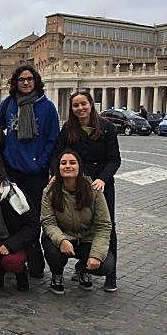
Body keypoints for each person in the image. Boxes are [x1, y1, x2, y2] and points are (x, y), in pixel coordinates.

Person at [0, 64, 59, 278]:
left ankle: (34, 260)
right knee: (12, 214)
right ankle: (14, 256)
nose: (25, 82)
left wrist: (41, 162)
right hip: (12, 169)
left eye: (29, 79)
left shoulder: (47, 107)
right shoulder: (9, 103)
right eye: (21, 79)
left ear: (36, 81)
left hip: (36, 172)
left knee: (33, 216)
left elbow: (52, 138)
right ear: (15, 83)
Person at [52, 90, 121, 291]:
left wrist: (102, 179)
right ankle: (81, 265)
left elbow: (114, 159)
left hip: (100, 184)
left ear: (91, 104)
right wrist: (55, 173)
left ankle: (110, 275)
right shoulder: (68, 128)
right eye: (76, 105)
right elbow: (58, 155)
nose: (80, 108)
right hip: (75, 183)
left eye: (84, 104)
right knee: (76, 222)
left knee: (107, 225)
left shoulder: (107, 128)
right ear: (72, 108)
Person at [41, 149, 114, 295]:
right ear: (58, 168)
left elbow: (103, 225)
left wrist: (96, 254)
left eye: (72, 163)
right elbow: (48, 222)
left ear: (79, 167)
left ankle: (82, 268)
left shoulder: (94, 190)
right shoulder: (49, 191)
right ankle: (57, 274)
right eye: (63, 163)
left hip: (86, 239)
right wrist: (61, 240)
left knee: (106, 265)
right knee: (53, 251)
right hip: (62, 236)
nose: (68, 166)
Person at [0, 164, 39, 292]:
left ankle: (21, 274)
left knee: (11, 261)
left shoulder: (16, 194)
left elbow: (33, 225)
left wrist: (11, 245)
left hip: (19, 239)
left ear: (0, 178)